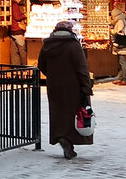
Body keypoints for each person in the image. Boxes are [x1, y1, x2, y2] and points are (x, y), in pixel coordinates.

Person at [36, 18, 92, 159]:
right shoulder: (73, 45)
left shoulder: (47, 45)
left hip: (54, 86)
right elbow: (82, 68)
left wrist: (53, 76)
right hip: (73, 86)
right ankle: (68, 140)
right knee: (73, 113)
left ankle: (61, 137)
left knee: (58, 113)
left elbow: (41, 65)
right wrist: (86, 86)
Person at [110, 5, 126, 84]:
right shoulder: (121, 20)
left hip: (122, 44)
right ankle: (120, 77)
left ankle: (125, 79)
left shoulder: (120, 21)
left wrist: (112, 31)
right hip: (122, 44)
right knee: (120, 61)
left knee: (122, 62)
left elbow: (119, 32)